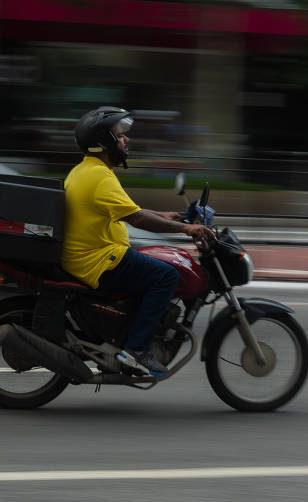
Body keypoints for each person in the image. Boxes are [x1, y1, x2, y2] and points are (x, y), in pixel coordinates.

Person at [61, 106, 213, 376]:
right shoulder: (99, 177)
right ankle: (136, 350)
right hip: (98, 261)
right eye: (120, 135)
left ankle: (127, 333)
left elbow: (128, 209)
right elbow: (138, 220)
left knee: (152, 262)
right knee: (166, 275)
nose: (126, 139)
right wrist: (185, 229)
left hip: (97, 255)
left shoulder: (88, 171)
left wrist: (165, 215)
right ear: (103, 141)